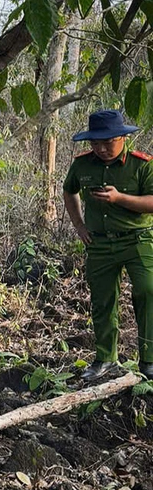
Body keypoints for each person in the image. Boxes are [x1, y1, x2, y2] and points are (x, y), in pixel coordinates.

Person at [63, 109, 153, 381]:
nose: (101, 148)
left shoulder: (142, 164)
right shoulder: (82, 165)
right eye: (95, 143)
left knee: (148, 292)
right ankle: (106, 359)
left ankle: (148, 360)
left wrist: (119, 199)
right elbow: (69, 191)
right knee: (103, 301)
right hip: (100, 244)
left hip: (138, 240)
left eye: (108, 142)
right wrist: (79, 226)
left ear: (123, 138)